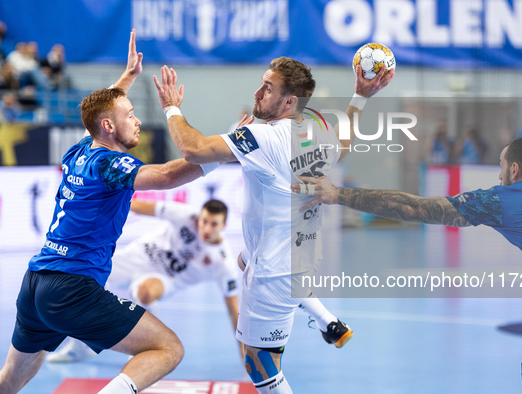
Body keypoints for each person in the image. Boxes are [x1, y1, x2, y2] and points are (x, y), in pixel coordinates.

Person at [152, 58, 394, 393]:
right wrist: (360, 97)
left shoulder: (264, 137)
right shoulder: (314, 129)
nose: (258, 92)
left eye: (268, 88)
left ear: (289, 101)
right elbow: (342, 146)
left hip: (273, 272)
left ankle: (323, 327)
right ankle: (329, 323)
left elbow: (193, 149)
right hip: (300, 254)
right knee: (243, 258)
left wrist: (171, 108)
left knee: (259, 362)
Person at [0, 30, 216, 394]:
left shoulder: (81, 150)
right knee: (167, 348)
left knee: (8, 382)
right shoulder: (111, 164)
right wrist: (226, 154)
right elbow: (164, 176)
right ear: (109, 127)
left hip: (36, 283)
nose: (138, 121)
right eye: (130, 115)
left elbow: (101, 115)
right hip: (72, 287)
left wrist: (128, 77)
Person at [293, 136, 522, 394]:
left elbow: (417, 207)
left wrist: (337, 194)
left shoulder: (507, 198)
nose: (499, 176)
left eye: (501, 167)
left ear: (514, 169)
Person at [47, 199, 244, 363]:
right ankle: (82, 345)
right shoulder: (185, 215)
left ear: (224, 226)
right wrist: (102, 202)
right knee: (85, 275)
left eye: (214, 224)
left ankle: (143, 349)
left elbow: (233, 310)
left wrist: (245, 352)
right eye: (204, 221)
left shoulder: (222, 262)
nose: (206, 228)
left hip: (163, 278)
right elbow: (139, 206)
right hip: (135, 257)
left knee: (146, 293)